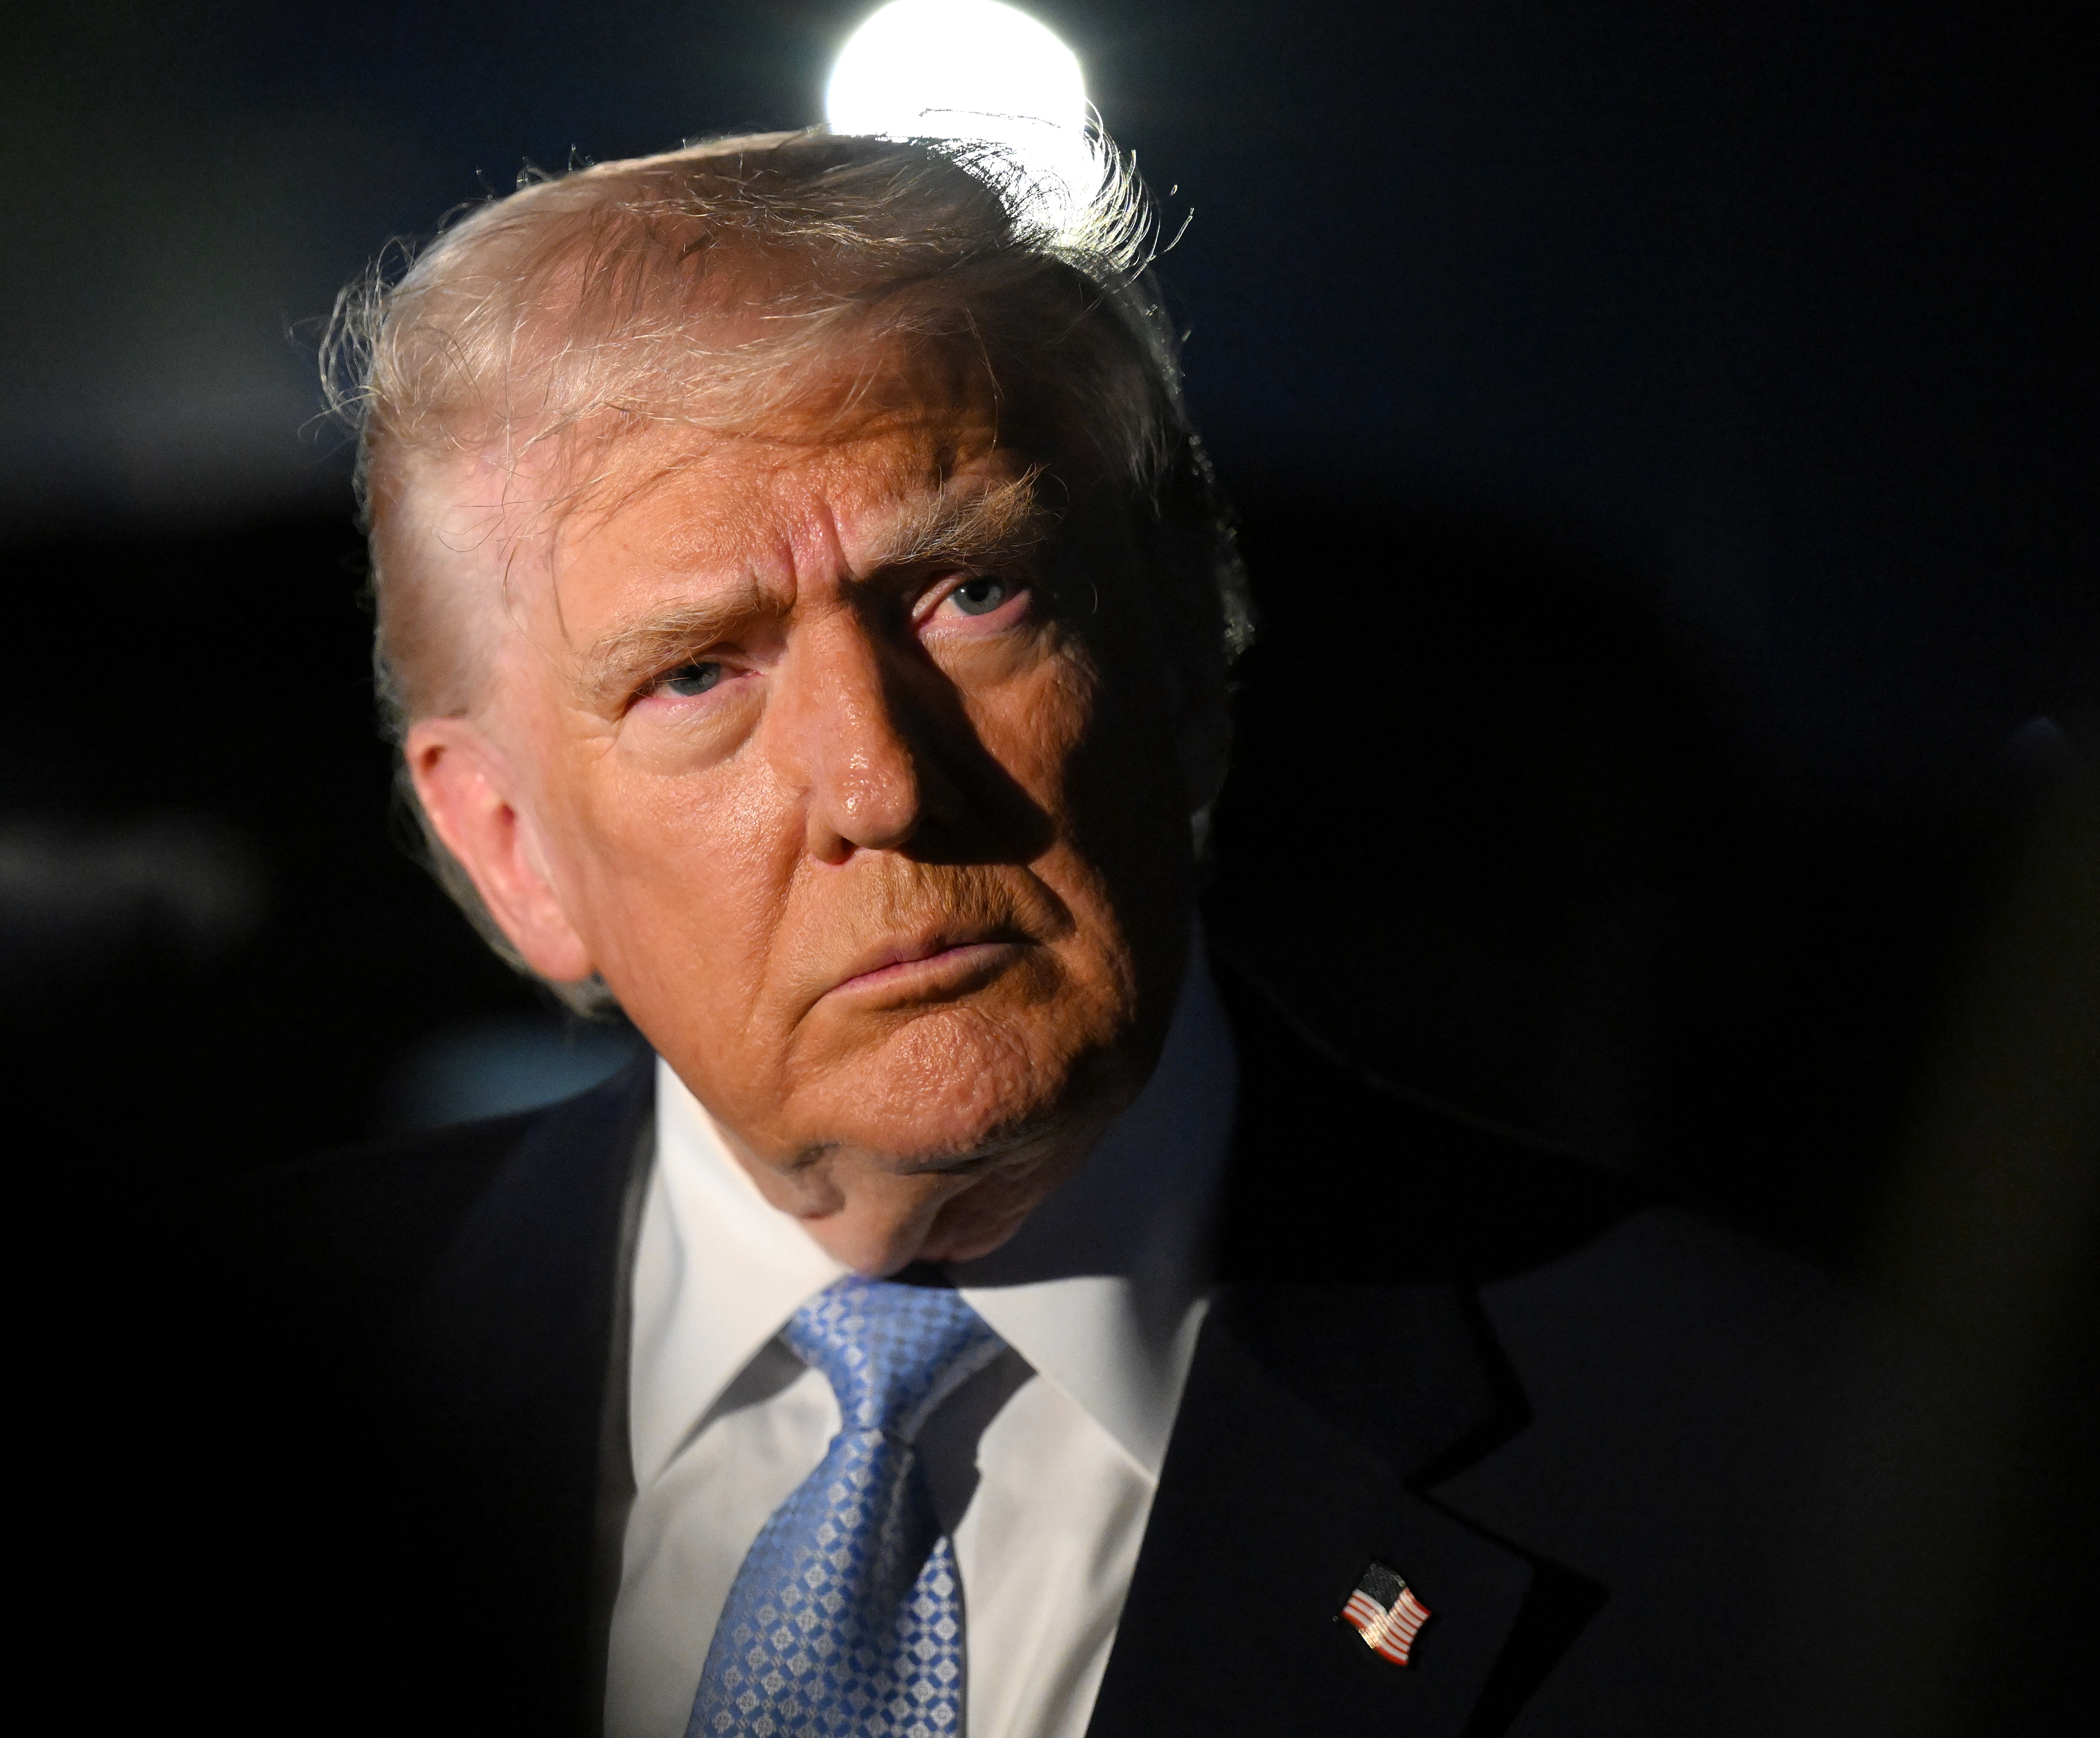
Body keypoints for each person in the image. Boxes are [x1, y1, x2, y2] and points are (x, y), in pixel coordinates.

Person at [177, 131, 1841, 1737]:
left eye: (970, 594)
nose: (882, 780)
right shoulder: (179, 1410)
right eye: (699, 675)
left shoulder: (1804, 1475)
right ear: (511, 850)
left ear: (1187, 651)